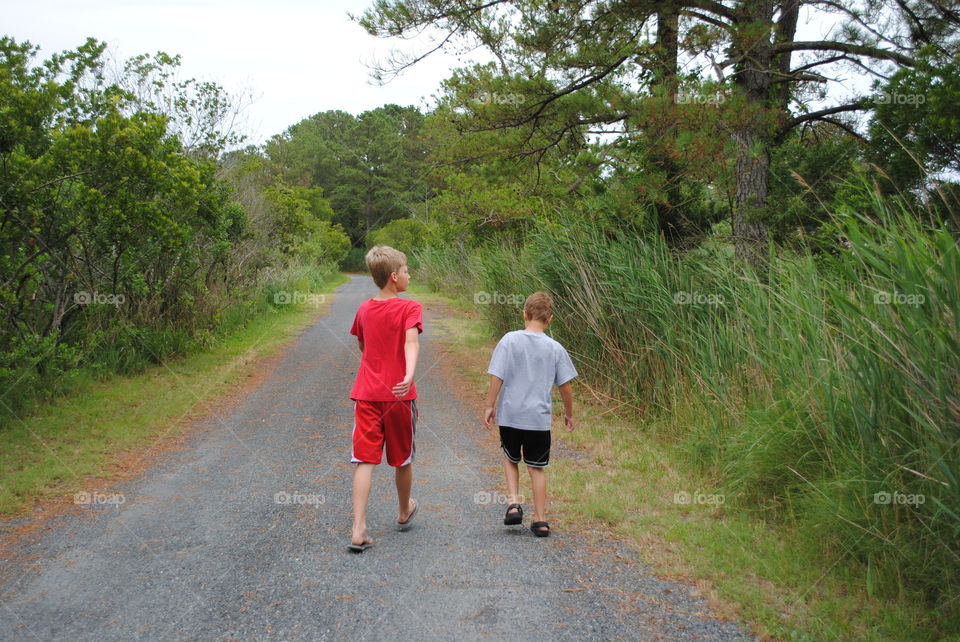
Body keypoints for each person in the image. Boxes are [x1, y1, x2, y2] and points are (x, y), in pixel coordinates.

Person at [483, 291, 577, 537]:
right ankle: (541, 520)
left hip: (511, 415)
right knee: (536, 468)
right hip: (538, 420)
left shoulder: (509, 340)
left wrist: (490, 405)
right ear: (550, 319)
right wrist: (569, 414)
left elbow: (497, 376)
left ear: (524, 314)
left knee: (510, 458)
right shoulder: (555, 348)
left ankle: (514, 503)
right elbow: (565, 386)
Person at [347, 245, 423, 552]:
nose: (408, 274)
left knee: (365, 460)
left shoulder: (364, 309)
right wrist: (407, 375)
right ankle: (404, 510)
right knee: (402, 458)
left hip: (367, 394)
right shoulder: (409, 308)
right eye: (405, 270)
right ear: (394, 277)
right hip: (399, 397)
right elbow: (411, 342)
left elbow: (364, 347)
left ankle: (358, 528)